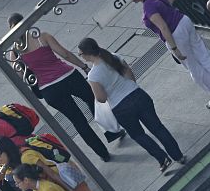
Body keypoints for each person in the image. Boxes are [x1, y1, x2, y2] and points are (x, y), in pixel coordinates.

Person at [7, 12, 124, 158]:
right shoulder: (42, 37)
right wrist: (84, 66)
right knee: (93, 101)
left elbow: (20, 77)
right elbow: (65, 54)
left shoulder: (14, 52)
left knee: (77, 121)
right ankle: (112, 131)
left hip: (49, 89)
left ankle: (102, 153)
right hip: (69, 77)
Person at [79, 37, 184, 171]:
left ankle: (162, 159)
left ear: (87, 53)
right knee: (158, 127)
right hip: (138, 95)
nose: (81, 57)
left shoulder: (93, 75)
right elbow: (130, 76)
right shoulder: (114, 57)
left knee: (138, 135)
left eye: (80, 54)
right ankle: (178, 156)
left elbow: (101, 98)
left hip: (121, 108)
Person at [134, 0, 210, 109]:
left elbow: (163, 28)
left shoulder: (148, 7)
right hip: (183, 21)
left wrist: (174, 49)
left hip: (175, 34)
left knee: (193, 67)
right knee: (205, 55)